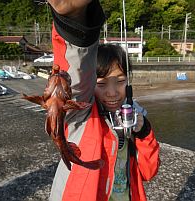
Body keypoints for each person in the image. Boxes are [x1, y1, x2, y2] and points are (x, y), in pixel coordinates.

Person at [46, 1, 160, 201]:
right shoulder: (81, 112)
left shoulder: (134, 116)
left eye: (121, 81)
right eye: (101, 84)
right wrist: (74, 22)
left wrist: (144, 133)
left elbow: (148, 172)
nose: (112, 92)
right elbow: (77, 75)